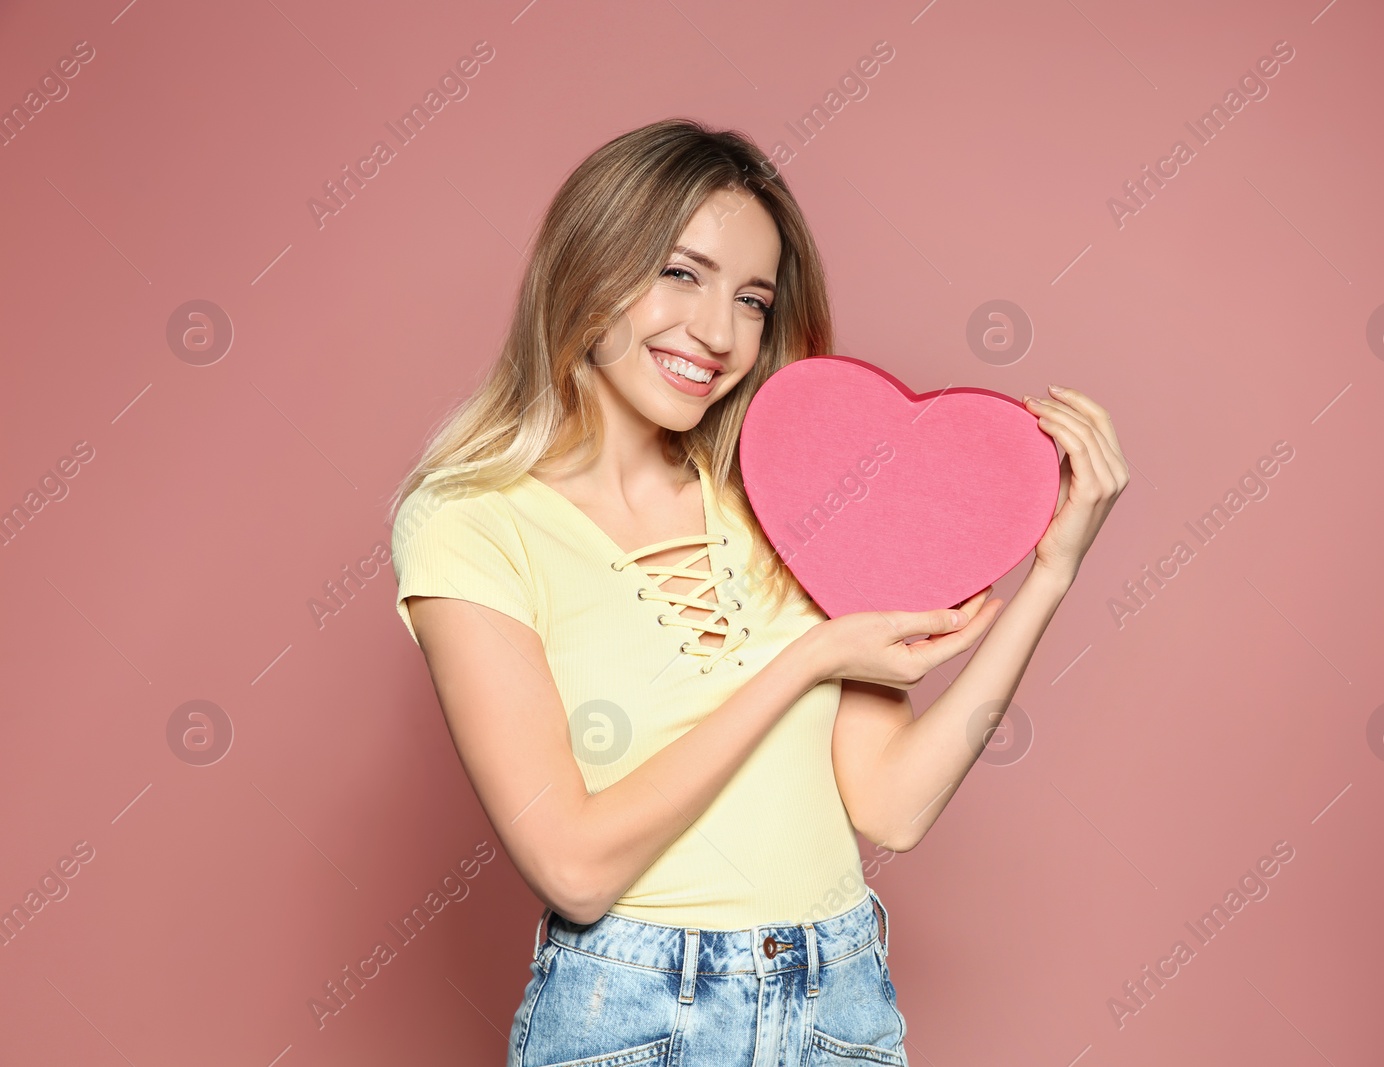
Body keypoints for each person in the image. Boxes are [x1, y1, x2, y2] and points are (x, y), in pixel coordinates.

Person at [387, 118, 1127, 1067]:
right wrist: (807, 658)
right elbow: (572, 866)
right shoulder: (470, 522)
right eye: (682, 274)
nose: (718, 333)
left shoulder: (778, 498)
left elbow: (893, 805)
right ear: (589, 267)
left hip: (836, 1000)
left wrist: (1051, 574)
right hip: (637, 1016)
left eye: (752, 299)